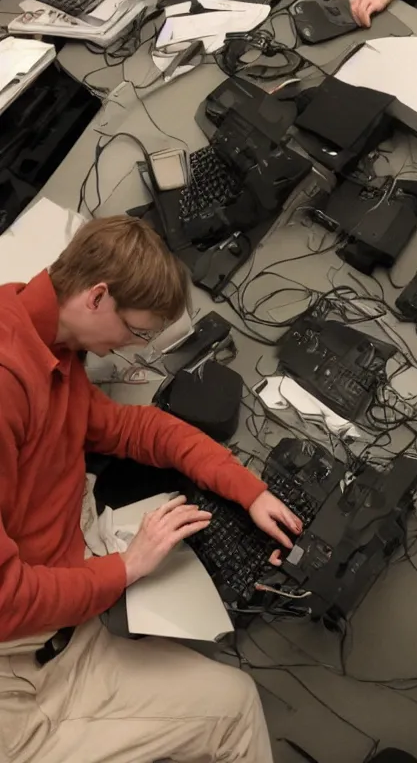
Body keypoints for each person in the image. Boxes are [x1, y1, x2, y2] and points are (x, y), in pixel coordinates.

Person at [0, 215, 298, 763]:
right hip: (13, 676)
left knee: (233, 702)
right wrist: (128, 568)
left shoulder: (55, 346)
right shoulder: (6, 376)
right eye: (137, 332)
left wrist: (248, 490)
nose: (132, 348)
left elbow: (134, 429)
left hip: (71, 640)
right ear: (96, 298)